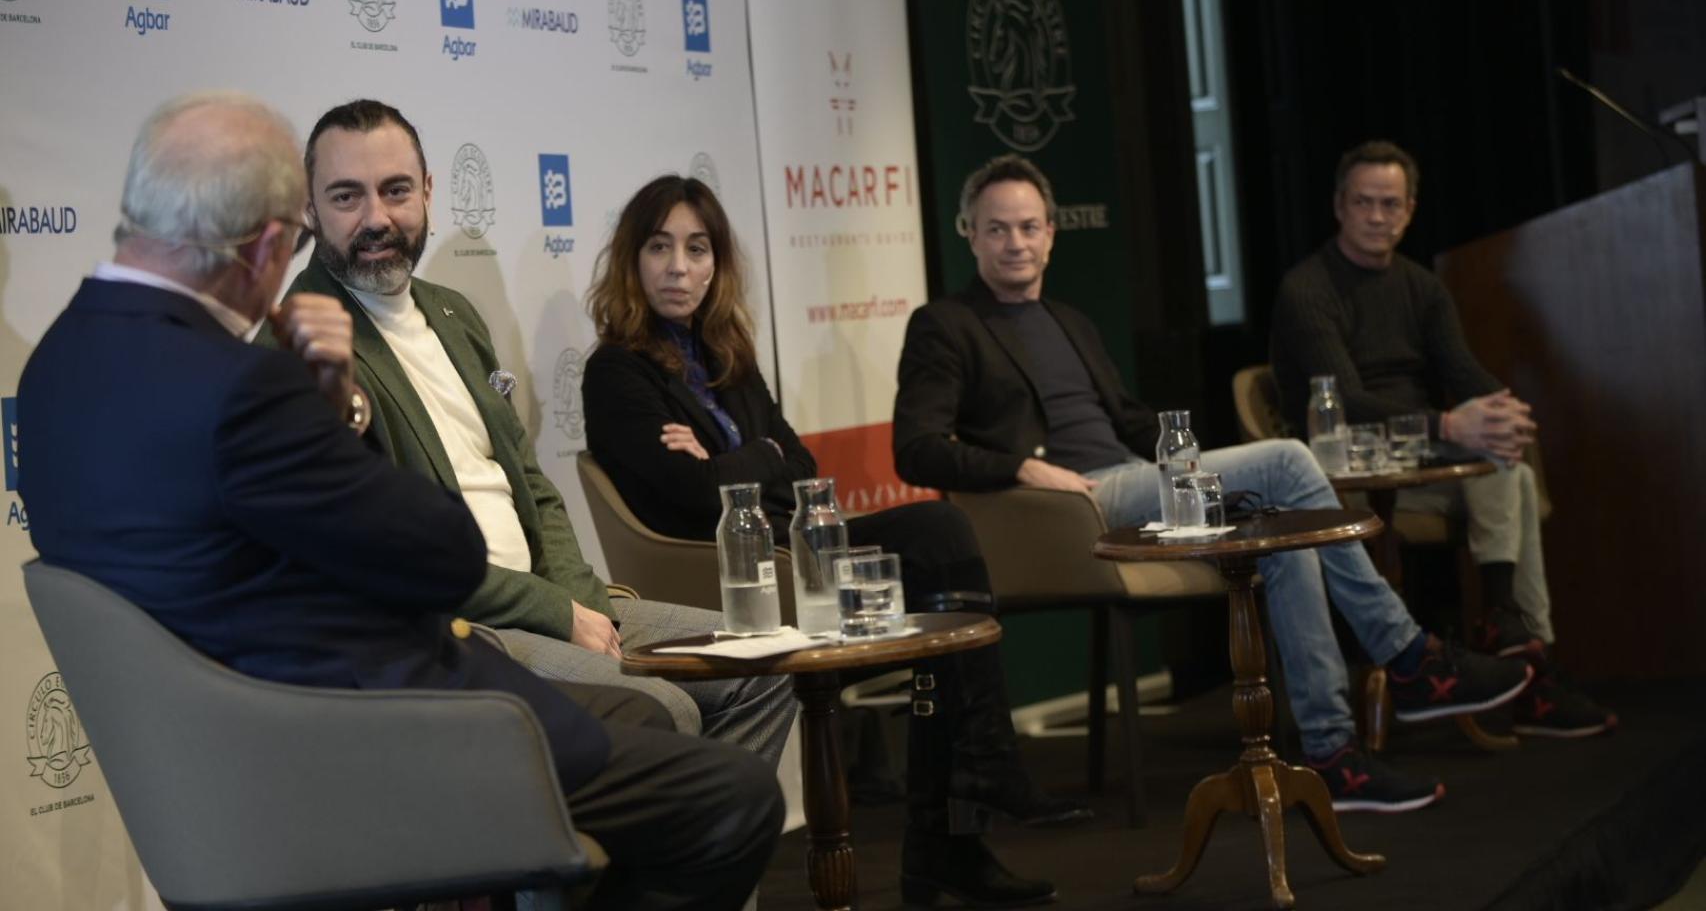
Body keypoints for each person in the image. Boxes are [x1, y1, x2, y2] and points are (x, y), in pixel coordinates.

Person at [17, 92, 781, 911]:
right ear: (276, 240)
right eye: (332, 210)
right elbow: (442, 552)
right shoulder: (241, 384)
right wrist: (337, 404)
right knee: (732, 797)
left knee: (658, 722)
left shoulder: (51, 371)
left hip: (234, 758)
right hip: (376, 734)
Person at [893, 153, 1534, 814]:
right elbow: (916, 450)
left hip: (1143, 485)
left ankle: (1332, 757)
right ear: (968, 232)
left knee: (1288, 543)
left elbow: (1134, 423)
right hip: (1078, 503)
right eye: (997, 229)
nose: (1016, 243)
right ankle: (1408, 655)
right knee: (1287, 460)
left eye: (1028, 227)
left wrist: (1193, 460)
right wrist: (1022, 467)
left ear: (1052, 232)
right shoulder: (946, 325)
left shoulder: (1069, 320)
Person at [582, 174, 1078, 908]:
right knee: (937, 587)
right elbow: (694, 494)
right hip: (730, 576)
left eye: (696, 248)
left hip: (796, 551)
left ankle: (965, 806)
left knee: (939, 541)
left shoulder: (727, 358)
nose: (679, 267)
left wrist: (732, 462)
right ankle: (967, 805)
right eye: (660, 248)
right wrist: (756, 459)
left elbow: (800, 463)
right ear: (634, 259)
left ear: (717, 262)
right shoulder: (616, 372)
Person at [269, 99, 796, 764]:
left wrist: (581, 603)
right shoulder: (305, 348)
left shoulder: (454, 314)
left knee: (763, 666)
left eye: (396, 190)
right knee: (665, 709)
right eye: (347, 196)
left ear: (428, 192)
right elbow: (392, 556)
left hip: (551, 598)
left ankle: (698, 865)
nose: (376, 218)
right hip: (461, 628)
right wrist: (557, 615)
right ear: (310, 209)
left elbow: (533, 487)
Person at [1269, 139, 1616, 738]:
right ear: (1338, 206)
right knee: (1507, 470)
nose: (1378, 216)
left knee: (1510, 461)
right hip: (1345, 473)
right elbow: (1344, 401)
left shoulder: (1421, 286)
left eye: (1391, 204)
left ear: (1410, 210)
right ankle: (1517, 643)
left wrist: (1503, 411)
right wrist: (1452, 425)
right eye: (1364, 203)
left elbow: (1462, 369)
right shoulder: (1308, 289)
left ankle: (1517, 643)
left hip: (1419, 462)